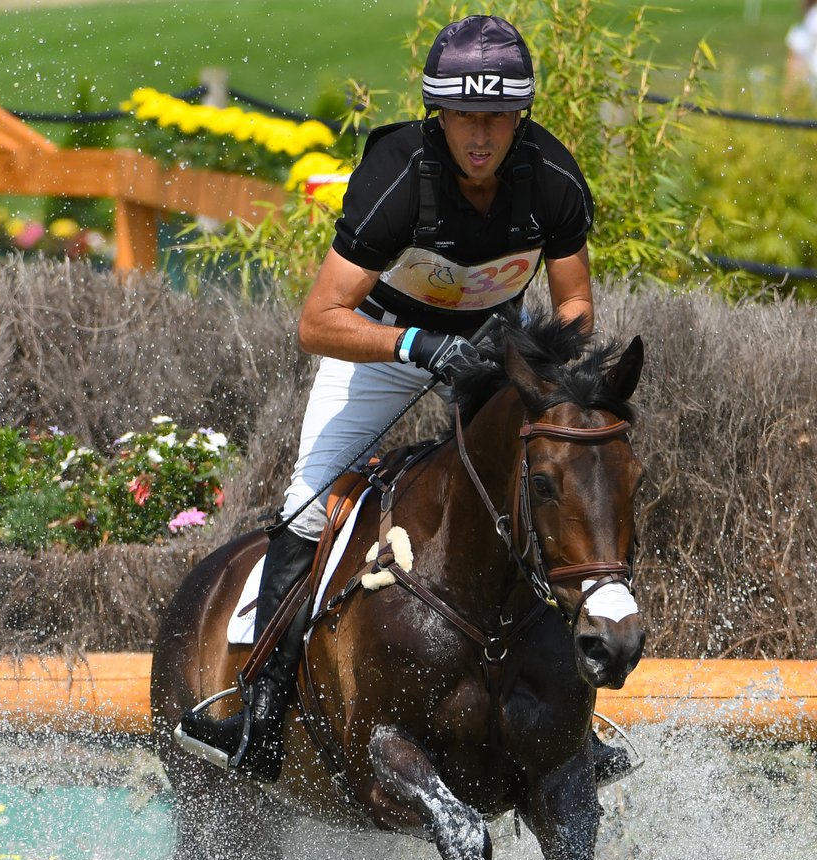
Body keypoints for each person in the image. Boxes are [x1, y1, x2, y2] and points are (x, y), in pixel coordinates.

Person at [181, 14, 596, 779]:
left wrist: (540, 365)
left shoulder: (554, 178)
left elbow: (574, 306)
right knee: (309, 506)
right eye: (465, 117)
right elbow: (317, 321)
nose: (481, 135)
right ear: (439, 116)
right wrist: (418, 345)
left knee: (545, 496)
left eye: (498, 117)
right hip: (382, 345)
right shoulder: (399, 176)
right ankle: (260, 711)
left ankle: (577, 724)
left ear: (520, 120)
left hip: (492, 353)